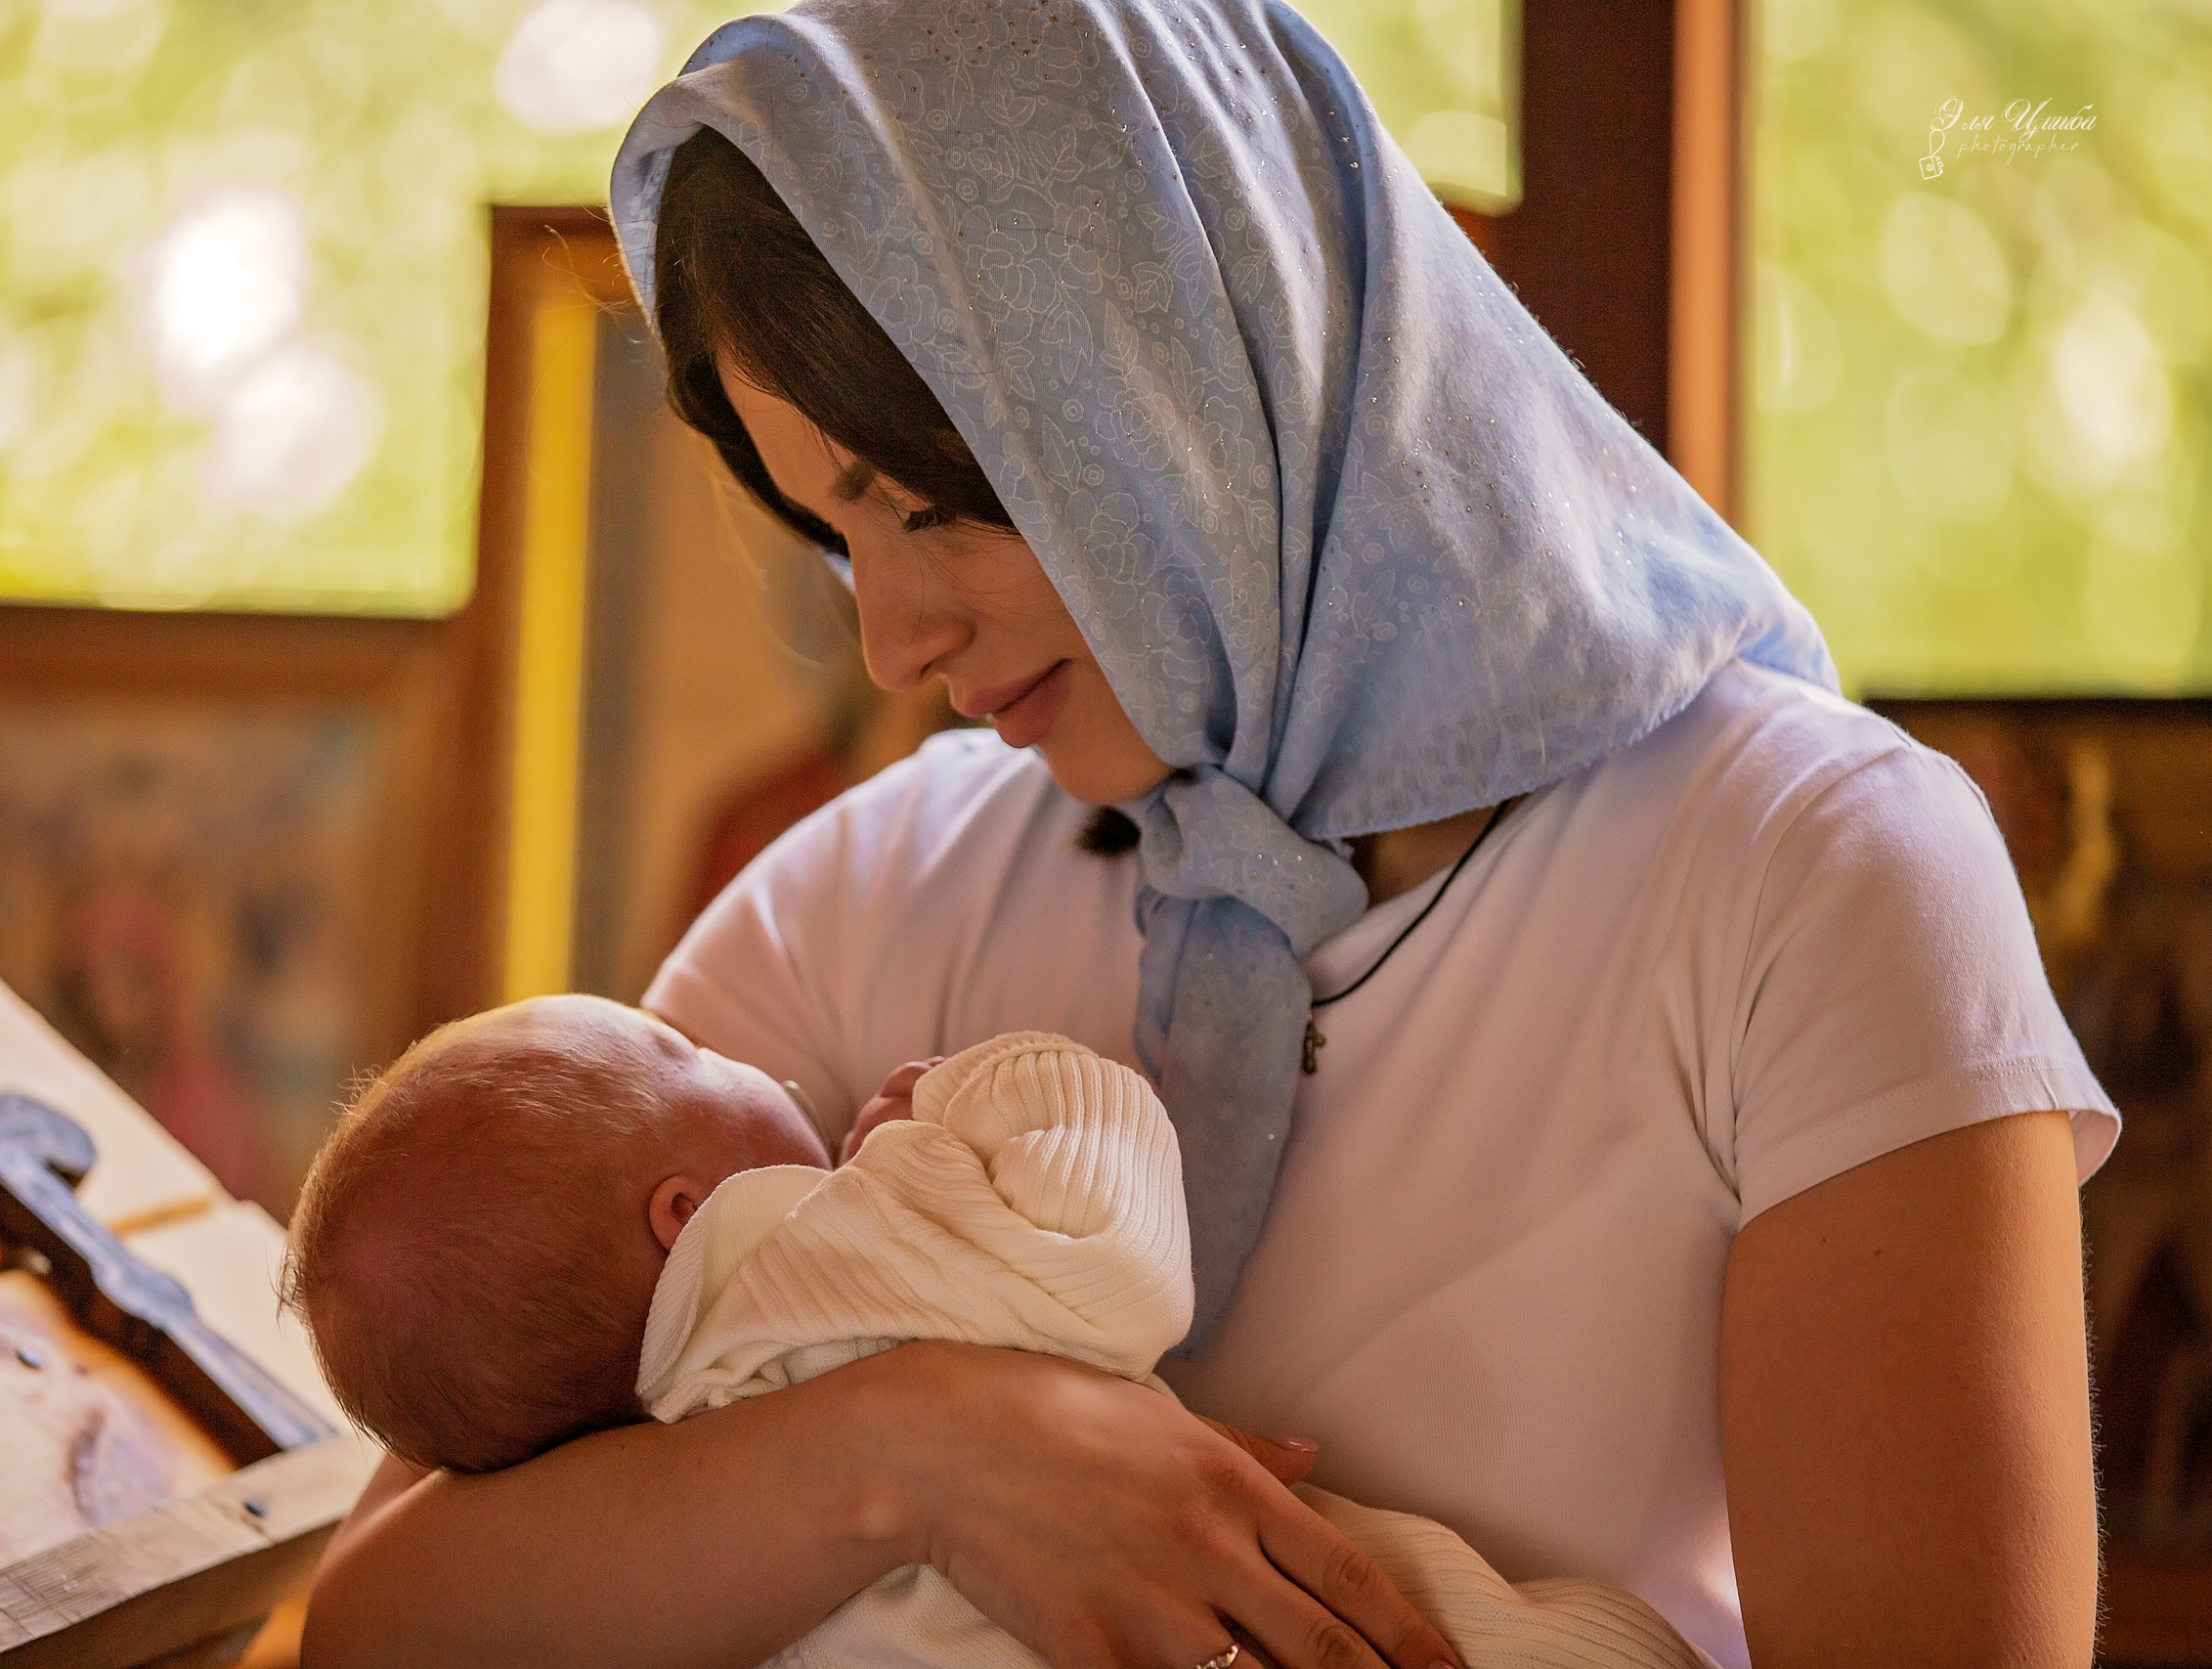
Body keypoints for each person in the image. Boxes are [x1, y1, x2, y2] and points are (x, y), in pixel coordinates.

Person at [300, 3, 2116, 1666]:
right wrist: (926, 1455)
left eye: (930, 504)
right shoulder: (864, 899)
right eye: (836, 537)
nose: (891, 644)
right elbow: (382, 1625)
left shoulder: (1814, 872)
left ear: (1175, 377)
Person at [284, 998, 1712, 1668]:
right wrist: (988, 1097)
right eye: (689, 1053)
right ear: (683, 1213)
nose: (737, 1048)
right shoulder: (834, 1248)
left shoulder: (624, 1459)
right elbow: (1109, 1272)